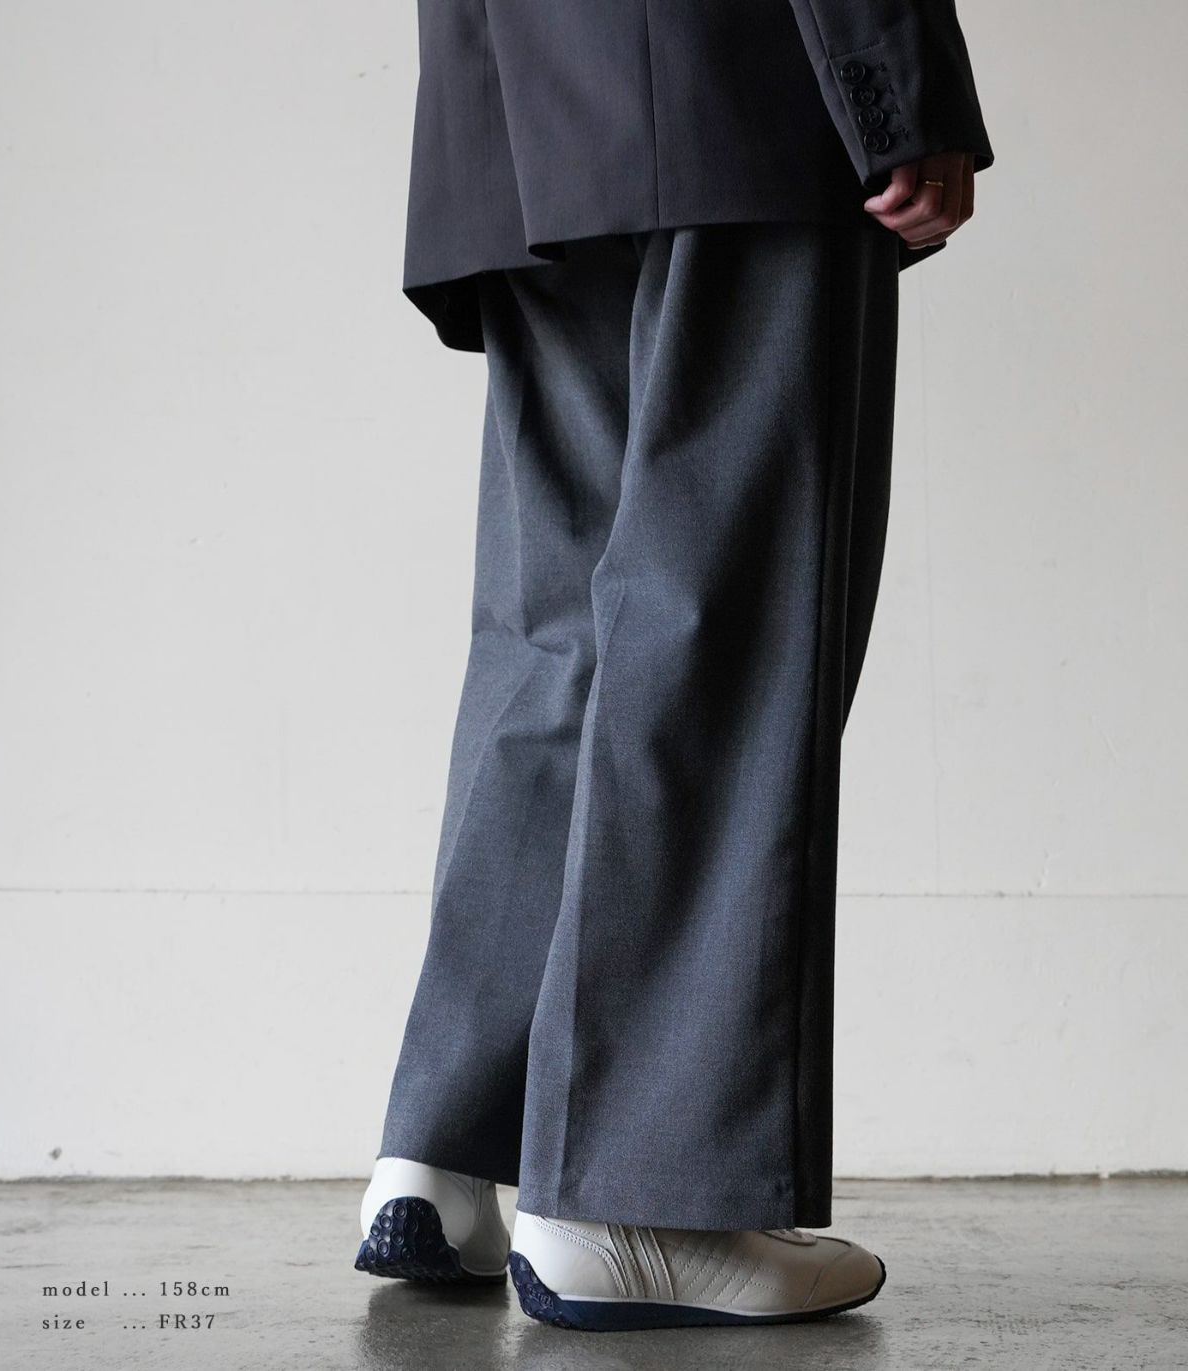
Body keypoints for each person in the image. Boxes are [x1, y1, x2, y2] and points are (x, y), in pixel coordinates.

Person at [354, 0, 993, 1332]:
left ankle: (449, 1152)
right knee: (724, 632)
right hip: (738, 88)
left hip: (520, 112)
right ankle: (636, 1200)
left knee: (559, 638)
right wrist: (894, 88)